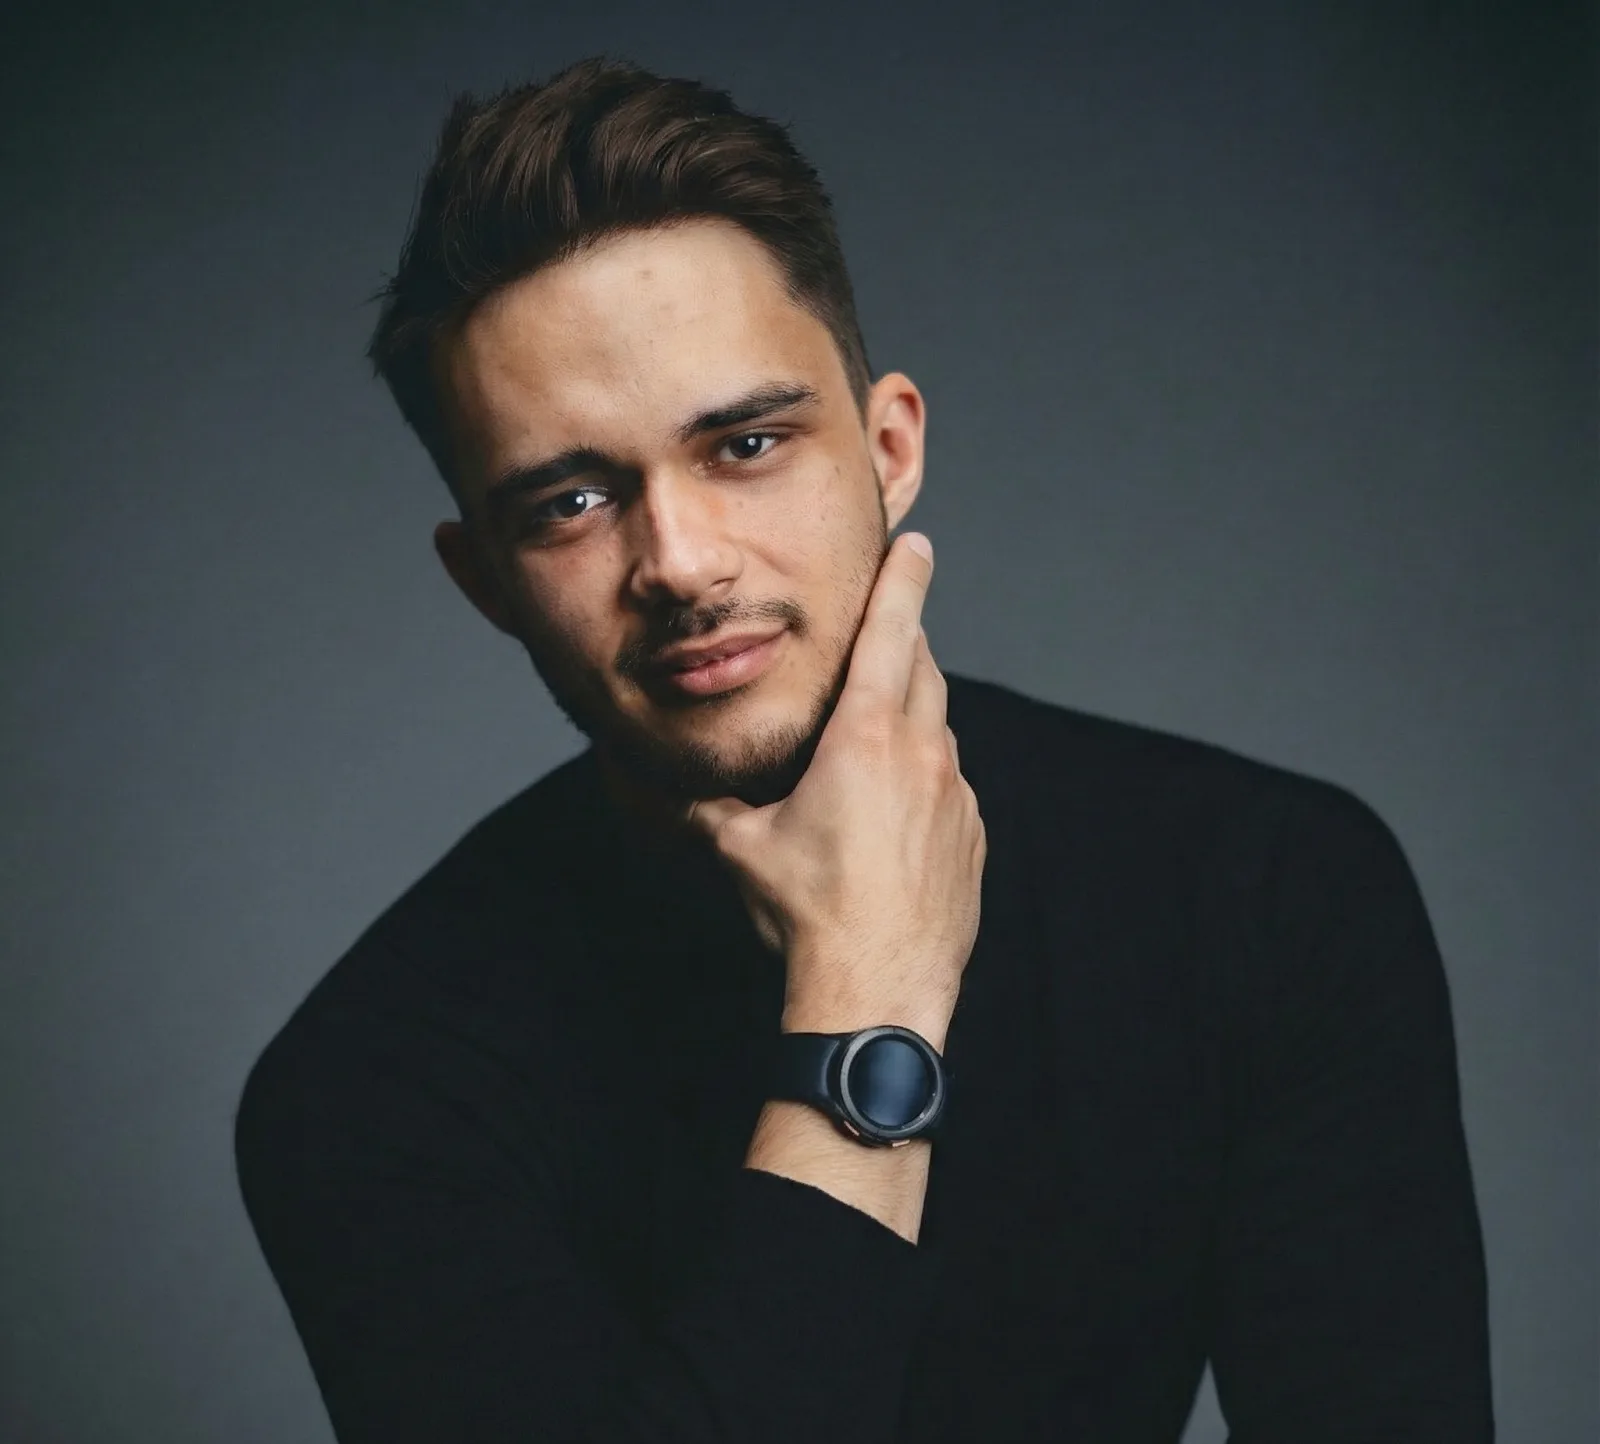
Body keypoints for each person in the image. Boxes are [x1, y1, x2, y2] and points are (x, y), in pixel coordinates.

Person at [234, 56, 1494, 1443]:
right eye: (574, 499)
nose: (681, 560)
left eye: (748, 442)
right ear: (485, 582)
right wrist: (867, 998)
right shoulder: (369, 1091)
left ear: (890, 449)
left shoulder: (1265, 895)